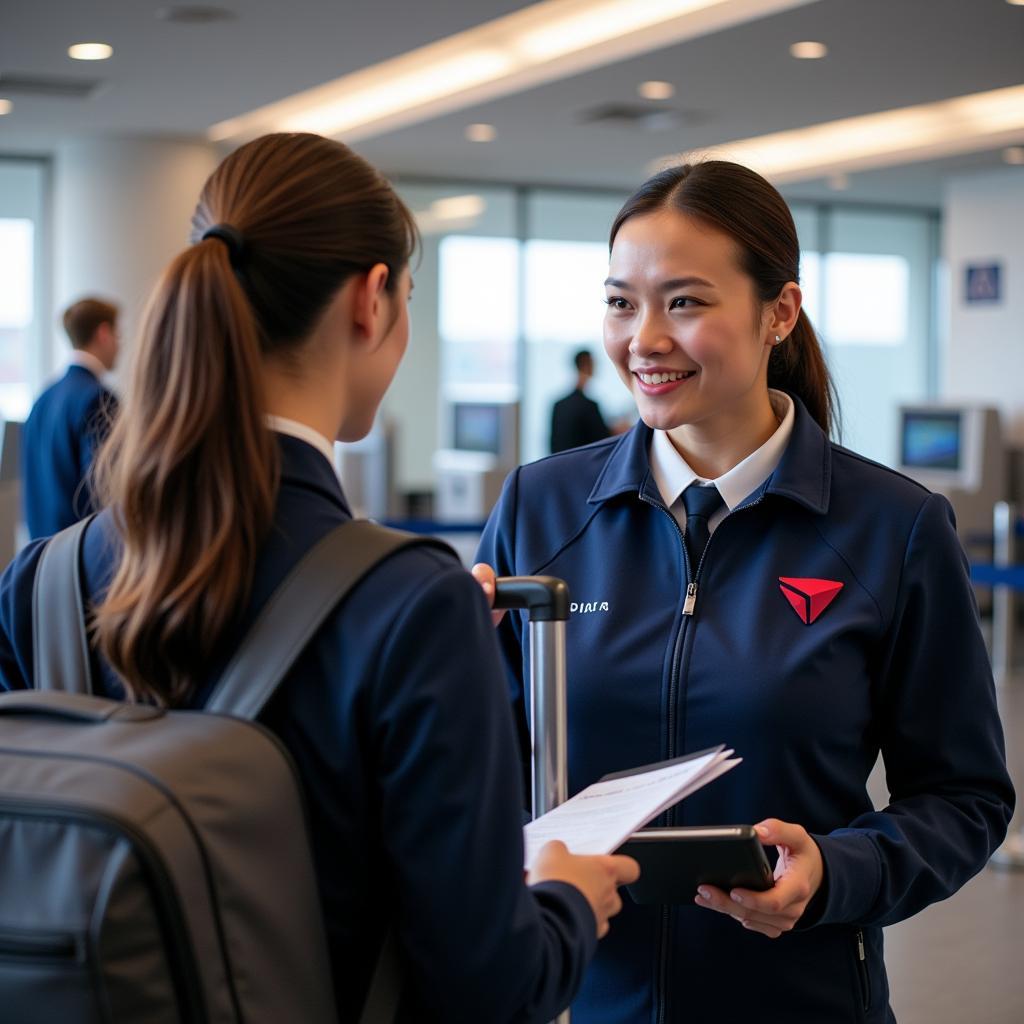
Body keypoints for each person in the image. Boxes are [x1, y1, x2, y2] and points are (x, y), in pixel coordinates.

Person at [0, 133, 637, 1022]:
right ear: (372, 300)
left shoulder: (40, 583)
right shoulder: (414, 605)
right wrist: (566, 897)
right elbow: (490, 984)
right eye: (409, 297)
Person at [474, 160, 1014, 1023]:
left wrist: (839, 873)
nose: (643, 338)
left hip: (801, 998)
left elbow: (965, 798)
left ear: (780, 312)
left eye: (684, 302)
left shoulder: (892, 528)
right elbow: (479, 766)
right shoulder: (542, 508)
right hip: (577, 996)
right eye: (621, 302)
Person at [22, 297, 121, 538]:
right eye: (118, 336)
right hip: (82, 561)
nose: (120, 345)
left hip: (41, 558)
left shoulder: (42, 400)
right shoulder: (99, 400)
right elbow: (105, 491)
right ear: (104, 333)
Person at [550, 348, 610, 453]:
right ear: (587, 365)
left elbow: (553, 445)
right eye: (593, 363)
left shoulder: (558, 405)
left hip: (561, 464)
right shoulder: (589, 406)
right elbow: (602, 439)